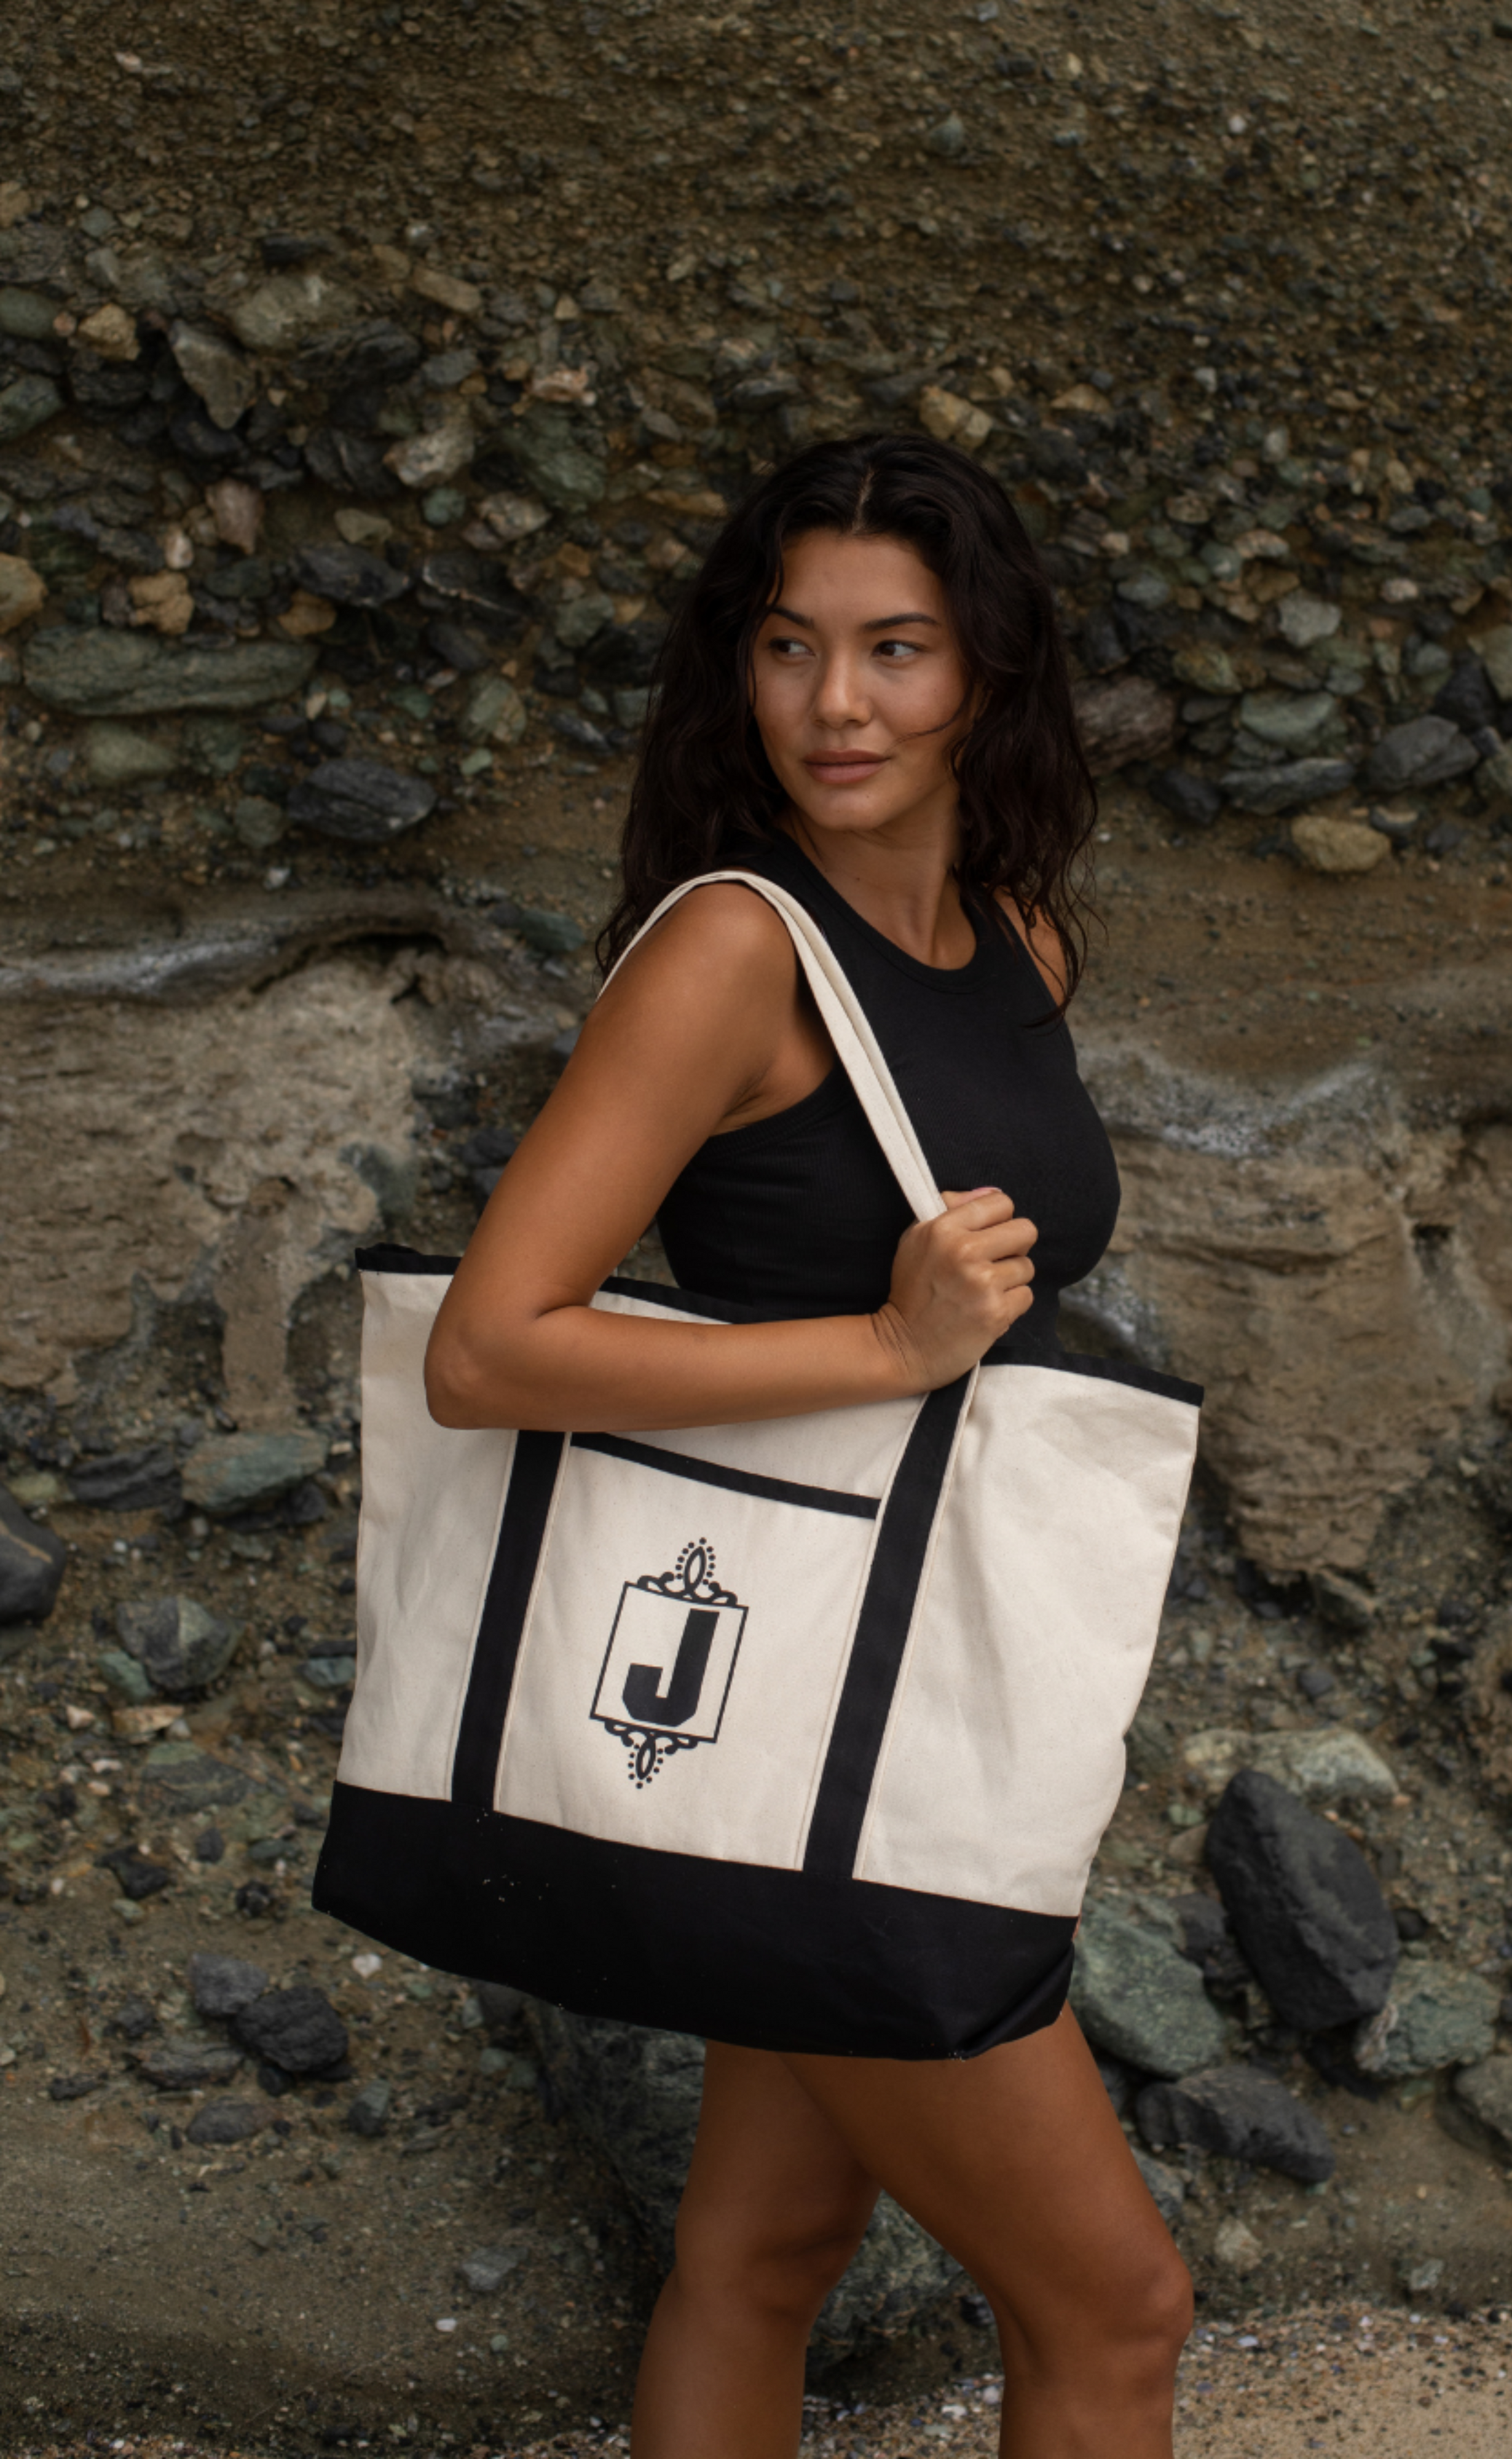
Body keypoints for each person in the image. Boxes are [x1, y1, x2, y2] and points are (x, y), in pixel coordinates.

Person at [421, 433, 1192, 2458]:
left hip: (905, 1700)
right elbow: (492, 1351)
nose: (835, 705)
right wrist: (879, 1338)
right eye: (788, 648)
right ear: (735, 673)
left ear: (992, 680)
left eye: (897, 651)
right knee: (1115, 2309)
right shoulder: (728, 952)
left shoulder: (1014, 945)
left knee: (760, 2259)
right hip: (819, 1719)